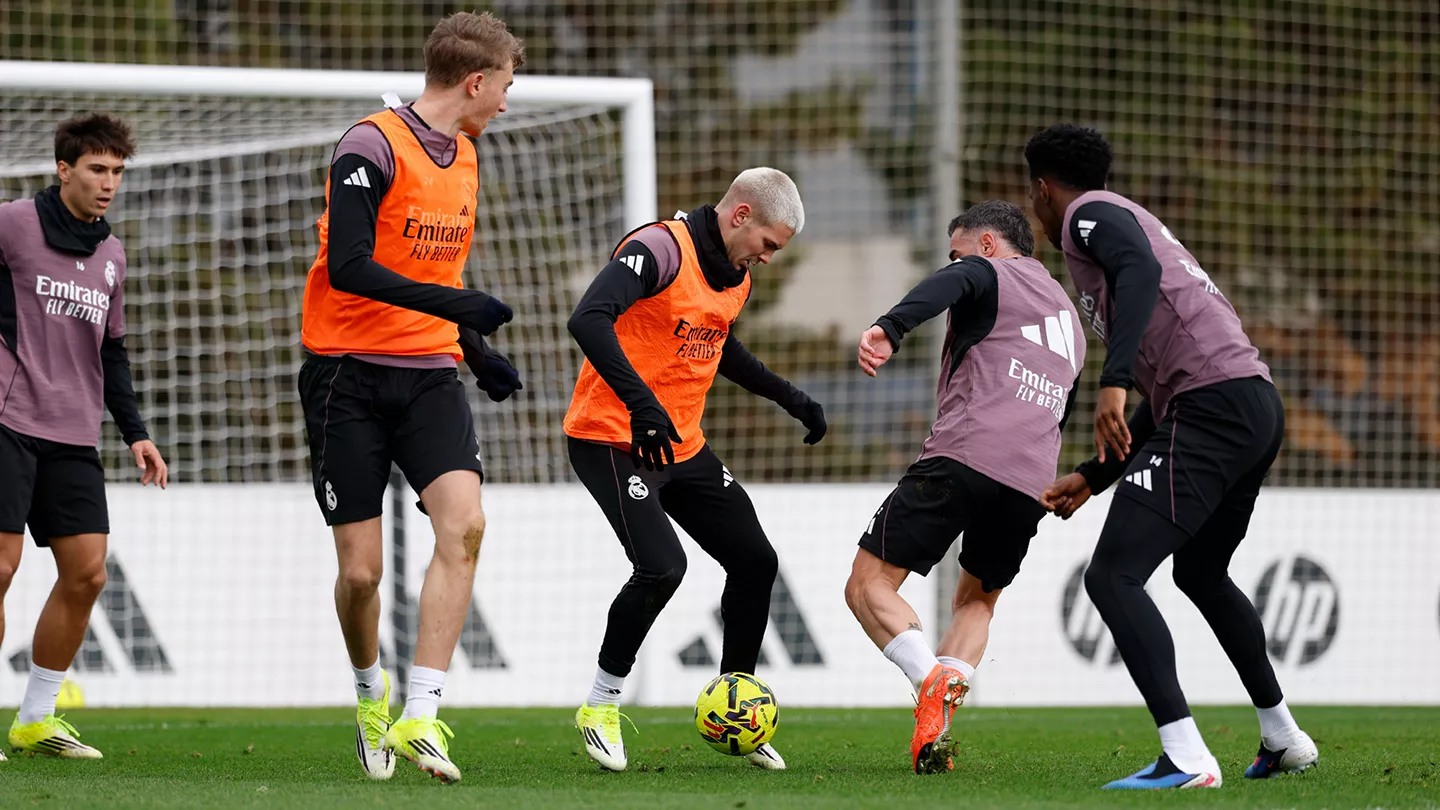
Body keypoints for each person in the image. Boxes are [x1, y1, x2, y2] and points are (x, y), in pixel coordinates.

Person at [1025, 123, 1317, 789]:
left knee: (1112, 576)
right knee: (1202, 572)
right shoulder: (1129, 218)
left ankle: (1186, 756)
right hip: (1248, 403)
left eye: (1033, 192)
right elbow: (1167, 391)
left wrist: (1113, 382)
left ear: (1043, 189)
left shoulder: (1087, 215)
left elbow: (1140, 272)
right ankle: (1283, 735)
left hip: (1214, 407)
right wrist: (1095, 476)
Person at [297, 11, 525, 784]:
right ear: (475, 81)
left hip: (428, 374)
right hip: (345, 376)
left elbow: (441, 275)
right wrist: (464, 313)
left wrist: (474, 350)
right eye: (505, 86)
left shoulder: (465, 153)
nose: (506, 102)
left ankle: (422, 716)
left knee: (465, 528)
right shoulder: (368, 146)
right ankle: (371, 695)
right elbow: (352, 269)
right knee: (361, 574)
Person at [564, 168, 826, 773]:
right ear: (741, 217)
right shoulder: (657, 248)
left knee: (756, 561)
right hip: (613, 437)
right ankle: (601, 706)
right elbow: (588, 319)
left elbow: (719, 344)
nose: (767, 259)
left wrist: (791, 397)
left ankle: (736, 705)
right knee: (661, 568)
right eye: (768, 245)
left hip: (681, 445)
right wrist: (643, 407)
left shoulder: (735, 276)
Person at [845, 200, 1084, 774]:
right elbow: (1064, 410)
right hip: (1031, 478)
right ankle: (935, 736)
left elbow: (951, 283)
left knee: (867, 584)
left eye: (958, 249)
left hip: (965, 453)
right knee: (977, 601)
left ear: (986, 244)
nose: (955, 261)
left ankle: (929, 679)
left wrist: (889, 327)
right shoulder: (1071, 322)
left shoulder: (987, 270)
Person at [0, 113, 168, 760]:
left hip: (73, 433)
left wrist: (137, 433)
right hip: (8, 421)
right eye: (98, 169)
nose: (109, 183)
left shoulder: (112, 255)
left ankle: (37, 718)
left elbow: (113, 353)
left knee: (87, 572)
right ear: (63, 169)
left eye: (118, 172)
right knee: (1, 567)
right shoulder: (13, 223)